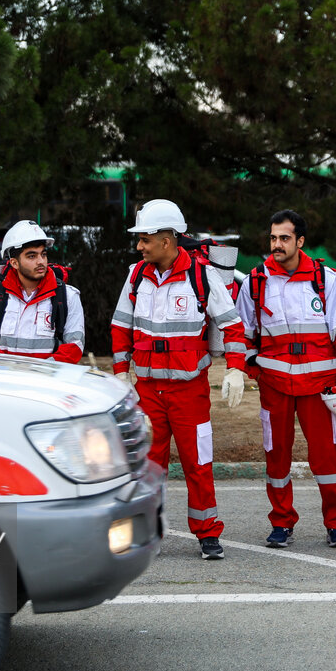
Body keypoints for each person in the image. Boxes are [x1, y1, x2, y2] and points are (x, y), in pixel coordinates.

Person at [110, 199, 248, 561]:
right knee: (145, 467)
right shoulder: (136, 276)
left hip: (190, 392)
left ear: (167, 240)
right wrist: (120, 372)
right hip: (147, 393)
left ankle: (207, 533)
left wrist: (236, 367)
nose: (140, 245)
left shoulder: (202, 276)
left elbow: (232, 324)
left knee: (197, 464)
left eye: (145, 238)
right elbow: (120, 326)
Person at [235, 210, 336, 549]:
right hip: (274, 387)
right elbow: (241, 336)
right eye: (273, 238)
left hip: (320, 388)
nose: (276, 245)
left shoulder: (324, 280)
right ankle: (281, 523)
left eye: (284, 238)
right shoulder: (255, 281)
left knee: (328, 459)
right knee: (276, 456)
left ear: (300, 241)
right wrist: (249, 370)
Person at [0, 220, 84, 363]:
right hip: (6, 381)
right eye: (32, 256)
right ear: (14, 263)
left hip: (48, 383)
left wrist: (42, 374)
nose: (41, 261)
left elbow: (74, 347)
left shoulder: (68, 296)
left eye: (43, 254)